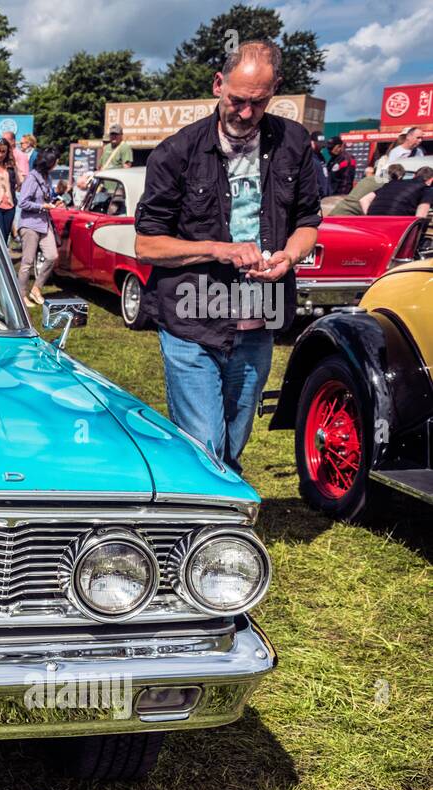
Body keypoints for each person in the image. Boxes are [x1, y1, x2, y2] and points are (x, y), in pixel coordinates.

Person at [134, 39, 321, 474]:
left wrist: (289, 257)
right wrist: (219, 249)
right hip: (192, 322)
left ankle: (215, 529)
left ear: (275, 92)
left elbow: (308, 221)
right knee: (204, 446)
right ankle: (203, 532)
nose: (245, 113)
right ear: (219, 84)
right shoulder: (177, 152)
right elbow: (147, 245)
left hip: (258, 321)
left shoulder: (293, 142)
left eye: (258, 103)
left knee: (232, 445)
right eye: (237, 100)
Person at [15, 146, 60, 307]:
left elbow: (47, 196)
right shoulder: (32, 178)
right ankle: (21, 296)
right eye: (56, 160)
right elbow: (23, 202)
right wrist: (42, 206)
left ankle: (36, 288)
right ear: (49, 162)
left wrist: (54, 201)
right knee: (27, 262)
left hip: (43, 222)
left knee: (52, 255)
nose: (57, 162)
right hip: (29, 224)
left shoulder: (47, 177)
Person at [363, 165, 433, 218]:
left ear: (414, 176)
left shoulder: (392, 183)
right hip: (395, 224)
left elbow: (364, 200)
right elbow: (421, 213)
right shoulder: (426, 189)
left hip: (373, 221)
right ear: (431, 180)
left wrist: (369, 217)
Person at [309, 132, 329, 198]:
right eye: (318, 144)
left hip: (324, 194)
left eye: (321, 145)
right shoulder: (308, 157)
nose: (321, 147)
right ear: (312, 142)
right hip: (315, 196)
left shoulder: (320, 156)